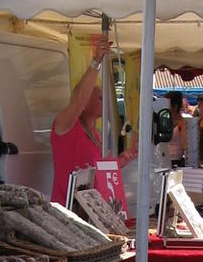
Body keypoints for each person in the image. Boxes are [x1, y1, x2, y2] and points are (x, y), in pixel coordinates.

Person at [50, 39, 137, 204]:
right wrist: (96, 61)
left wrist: (122, 160)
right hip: (68, 210)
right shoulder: (66, 126)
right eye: (100, 98)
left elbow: (98, 171)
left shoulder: (94, 133)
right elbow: (79, 99)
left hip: (90, 210)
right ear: (84, 104)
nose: (105, 102)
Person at [166, 90, 186, 166]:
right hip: (163, 158)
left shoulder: (182, 122)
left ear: (175, 106)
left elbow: (184, 145)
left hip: (176, 161)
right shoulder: (165, 121)